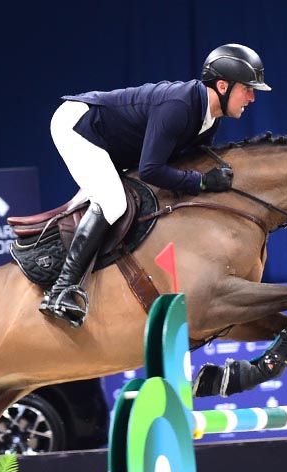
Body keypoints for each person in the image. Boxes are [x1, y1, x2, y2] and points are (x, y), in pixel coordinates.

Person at [39, 43, 272, 327]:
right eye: (247, 89)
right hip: (79, 125)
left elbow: (179, 167)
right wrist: (201, 182)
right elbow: (151, 170)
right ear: (223, 86)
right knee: (112, 202)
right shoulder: (179, 107)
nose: (252, 97)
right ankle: (60, 291)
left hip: (114, 143)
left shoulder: (209, 121)